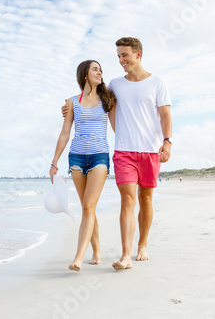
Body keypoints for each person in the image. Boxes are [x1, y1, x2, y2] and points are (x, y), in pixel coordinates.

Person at [62, 37, 172, 270]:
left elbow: (165, 115)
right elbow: (92, 97)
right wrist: (69, 106)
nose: (121, 60)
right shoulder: (114, 84)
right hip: (123, 151)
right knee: (127, 200)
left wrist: (167, 141)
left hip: (151, 150)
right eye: (118, 56)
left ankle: (142, 245)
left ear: (138, 54)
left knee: (146, 198)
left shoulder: (158, 82)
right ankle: (124, 255)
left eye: (124, 55)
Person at [49, 60, 116, 271]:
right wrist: (54, 162)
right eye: (95, 69)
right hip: (77, 158)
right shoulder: (71, 102)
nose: (100, 72)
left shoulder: (108, 98)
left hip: (99, 157)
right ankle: (96, 251)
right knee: (89, 207)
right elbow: (65, 133)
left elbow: (117, 126)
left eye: (100, 69)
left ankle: (78, 257)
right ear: (84, 74)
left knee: (88, 206)